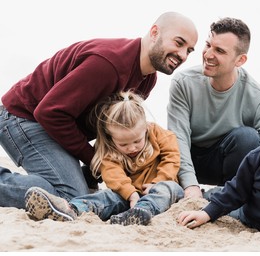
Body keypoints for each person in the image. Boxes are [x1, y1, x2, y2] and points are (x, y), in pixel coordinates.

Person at [0, 11, 198, 209]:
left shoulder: (148, 79)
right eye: (178, 43)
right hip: (22, 118)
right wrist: (97, 161)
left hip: (49, 126)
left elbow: (113, 131)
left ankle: (82, 177)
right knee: (71, 197)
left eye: (189, 50)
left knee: (81, 193)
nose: (182, 55)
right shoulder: (108, 64)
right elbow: (49, 112)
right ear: (154, 32)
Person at [167, 17, 260, 199]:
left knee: (248, 138)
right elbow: (178, 138)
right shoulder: (184, 82)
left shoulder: (258, 97)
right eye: (208, 45)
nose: (208, 55)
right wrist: (191, 186)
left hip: (226, 162)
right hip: (188, 158)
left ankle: (228, 196)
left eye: (219, 51)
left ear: (240, 60)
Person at [24, 90, 183, 226]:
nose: (132, 148)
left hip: (159, 190)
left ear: (146, 128)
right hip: (129, 195)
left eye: (137, 141)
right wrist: (131, 194)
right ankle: (70, 209)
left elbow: (172, 158)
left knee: (169, 188)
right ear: (111, 138)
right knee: (106, 197)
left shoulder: (159, 134)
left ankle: (143, 211)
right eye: (124, 144)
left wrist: (158, 182)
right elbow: (113, 174)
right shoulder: (108, 149)